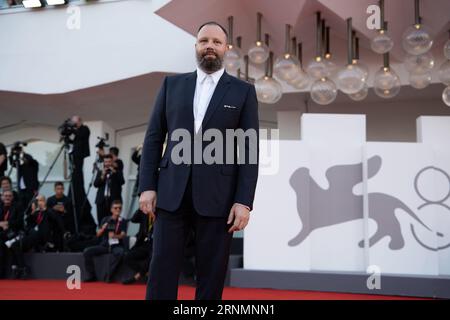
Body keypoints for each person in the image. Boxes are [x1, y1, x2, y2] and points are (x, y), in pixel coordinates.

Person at [138, 21, 259, 300]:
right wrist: (147, 186)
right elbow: (154, 138)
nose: (210, 46)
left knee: (211, 275)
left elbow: (249, 150)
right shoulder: (171, 85)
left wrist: (244, 201)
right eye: (204, 41)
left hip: (219, 200)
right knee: (162, 271)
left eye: (216, 42)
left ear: (226, 49)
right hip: (170, 196)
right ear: (196, 46)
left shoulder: (243, 92)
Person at [9, 195, 55, 279]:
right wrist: (32, 213)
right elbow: (27, 226)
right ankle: (18, 267)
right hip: (31, 236)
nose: (38, 203)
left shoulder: (48, 212)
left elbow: (53, 221)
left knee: (17, 245)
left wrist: (44, 210)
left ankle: (22, 268)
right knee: (14, 245)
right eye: (37, 201)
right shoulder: (34, 213)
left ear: (45, 202)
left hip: (40, 237)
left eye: (41, 201)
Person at [83, 200, 127, 282]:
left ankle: (110, 274)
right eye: (115, 208)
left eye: (120, 208)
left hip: (116, 245)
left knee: (121, 253)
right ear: (111, 210)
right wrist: (103, 228)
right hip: (105, 245)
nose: (118, 210)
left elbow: (123, 235)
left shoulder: (123, 221)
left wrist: (115, 236)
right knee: (87, 251)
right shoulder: (106, 219)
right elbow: (98, 234)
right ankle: (91, 275)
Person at [121, 209, 152, 284]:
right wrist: (141, 208)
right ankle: (145, 273)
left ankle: (137, 276)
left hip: (156, 243)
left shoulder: (160, 215)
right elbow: (133, 219)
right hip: (144, 242)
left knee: (153, 257)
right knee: (127, 256)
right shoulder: (144, 213)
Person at [8, 143, 39, 215]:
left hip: (30, 189)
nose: (24, 159)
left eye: (25, 158)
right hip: (21, 190)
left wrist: (22, 153)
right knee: (22, 208)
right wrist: (11, 153)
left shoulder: (34, 165)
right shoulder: (21, 167)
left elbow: (30, 159)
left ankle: (31, 222)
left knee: (31, 207)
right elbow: (12, 163)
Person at [94, 154, 124, 224]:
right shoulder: (101, 171)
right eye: (106, 162)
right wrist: (102, 175)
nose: (107, 164)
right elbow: (95, 184)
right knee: (101, 221)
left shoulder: (118, 171)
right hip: (101, 201)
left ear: (112, 162)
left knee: (113, 221)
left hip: (113, 201)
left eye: (109, 162)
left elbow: (122, 182)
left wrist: (114, 172)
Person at [0, 190, 23, 278]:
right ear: (2, 197)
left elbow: (20, 222)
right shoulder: (0, 207)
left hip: (13, 232)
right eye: (6, 196)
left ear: (12, 197)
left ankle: (20, 269)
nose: (7, 198)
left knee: (12, 243)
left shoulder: (17, 207)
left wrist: (8, 223)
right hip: (2, 233)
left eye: (9, 196)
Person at [46, 181, 73, 250]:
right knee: (53, 213)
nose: (60, 191)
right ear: (55, 189)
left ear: (63, 189)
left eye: (61, 189)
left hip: (64, 220)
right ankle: (64, 233)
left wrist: (64, 210)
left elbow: (70, 214)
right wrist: (53, 209)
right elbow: (47, 211)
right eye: (58, 189)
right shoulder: (50, 200)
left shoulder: (67, 200)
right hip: (52, 222)